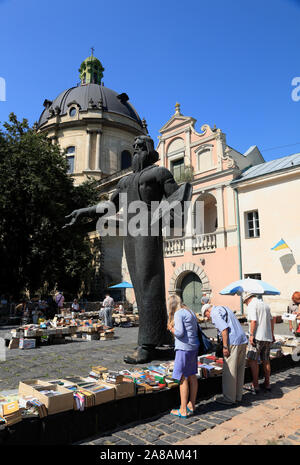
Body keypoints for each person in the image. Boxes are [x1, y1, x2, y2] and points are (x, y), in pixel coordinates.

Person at [63, 135, 192, 363]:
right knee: (140, 287)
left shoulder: (160, 173)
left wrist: (169, 216)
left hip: (149, 229)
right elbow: (109, 206)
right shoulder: (124, 182)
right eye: (134, 149)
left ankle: (146, 345)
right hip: (130, 233)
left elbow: (176, 196)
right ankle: (160, 335)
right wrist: (84, 211)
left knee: (149, 282)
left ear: (149, 150)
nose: (136, 151)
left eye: (140, 147)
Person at [202, 301, 248, 405]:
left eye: (206, 315)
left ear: (207, 310)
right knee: (240, 370)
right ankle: (238, 396)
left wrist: (225, 346)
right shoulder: (224, 307)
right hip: (241, 340)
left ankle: (229, 398)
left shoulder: (214, 313)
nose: (207, 318)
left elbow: (224, 329)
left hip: (232, 342)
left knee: (230, 371)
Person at [167, 295, 199, 418]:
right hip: (193, 347)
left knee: (182, 378)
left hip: (183, 348)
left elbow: (180, 333)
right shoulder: (189, 311)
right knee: (192, 376)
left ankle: (183, 409)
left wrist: (171, 328)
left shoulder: (179, 313)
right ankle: (192, 405)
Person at [243, 292, 275, 393]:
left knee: (253, 360)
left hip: (257, 336)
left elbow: (253, 321)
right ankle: (267, 383)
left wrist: (251, 335)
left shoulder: (252, 305)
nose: (246, 304)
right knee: (266, 360)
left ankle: (255, 385)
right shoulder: (265, 304)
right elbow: (271, 320)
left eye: (245, 302)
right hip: (267, 336)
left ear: (248, 299)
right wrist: (272, 334)